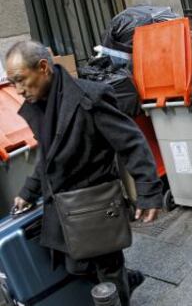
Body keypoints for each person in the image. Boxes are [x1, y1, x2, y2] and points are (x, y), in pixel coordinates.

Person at [6, 41, 164, 305]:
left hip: (96, 205)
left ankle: (120, 290)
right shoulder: (41, 104)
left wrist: (149, 192)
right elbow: (48, 157)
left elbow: (131, 142)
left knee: (108, 271)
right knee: (78, 267)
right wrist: (29, 191)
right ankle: (128, 279)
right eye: (13, 83)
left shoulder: (90, 97)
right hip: (64, 207)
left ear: (43, 67)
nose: (19, 91)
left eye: (21, 80)